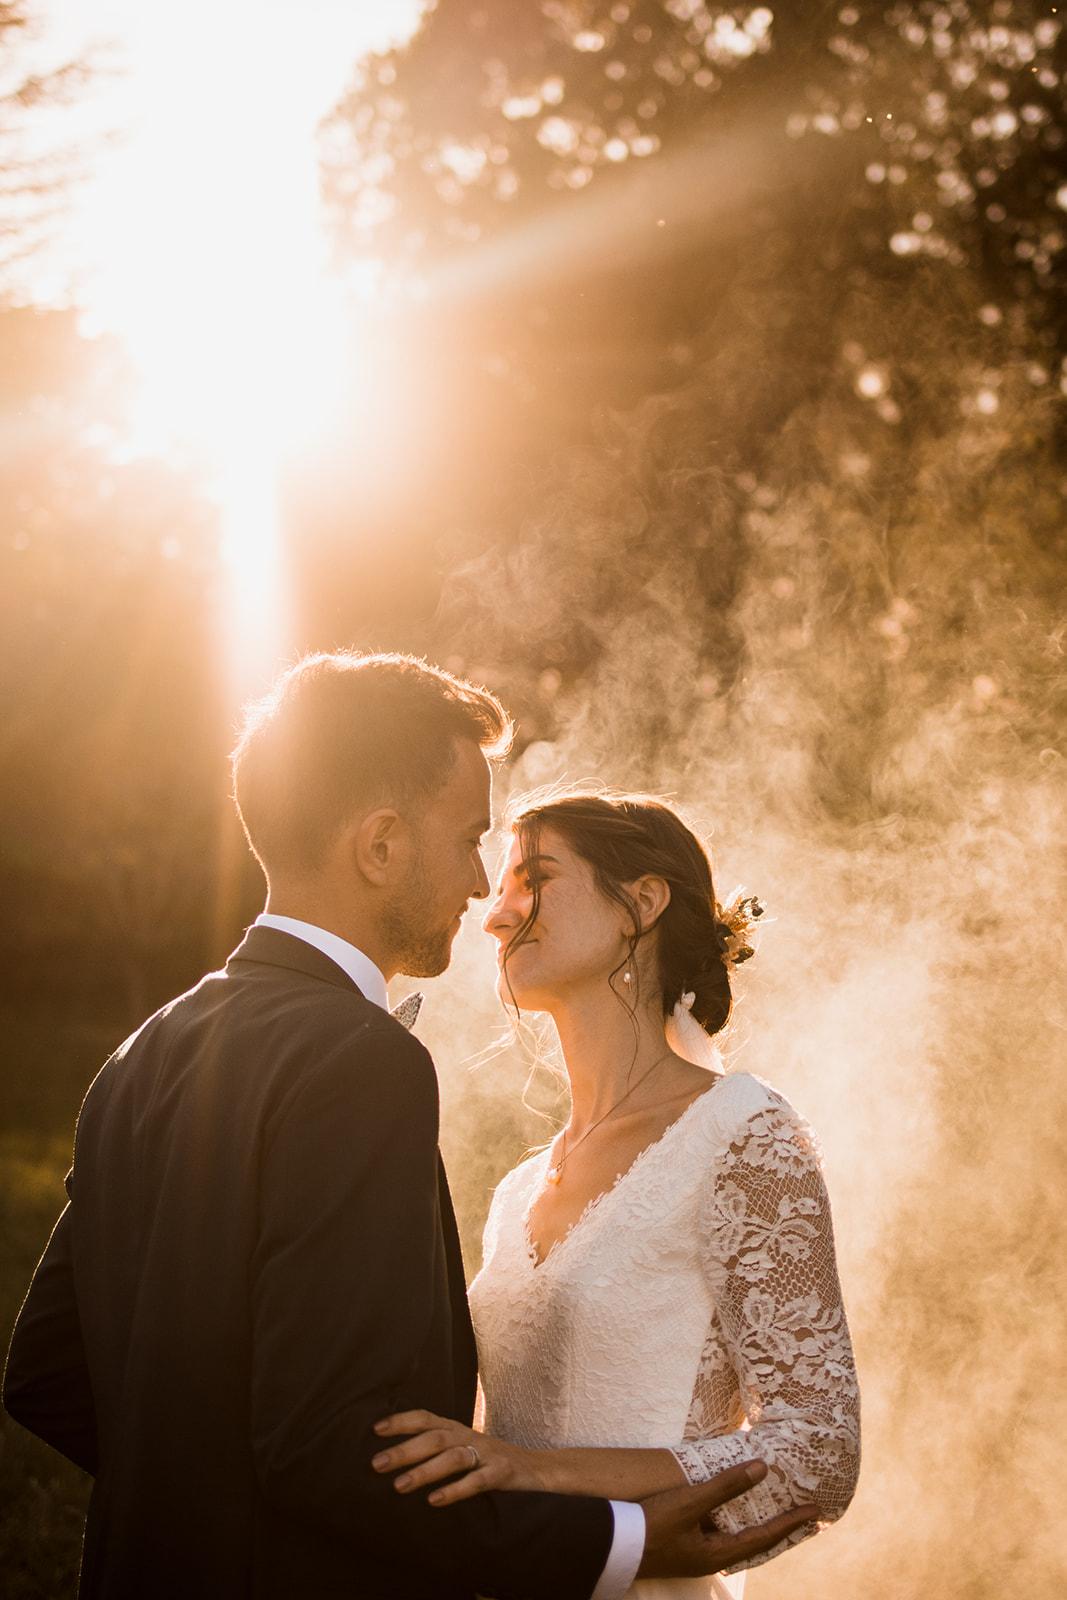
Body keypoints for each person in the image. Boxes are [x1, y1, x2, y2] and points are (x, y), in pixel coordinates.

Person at [3, 653, 818, 1600]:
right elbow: (330, 1444)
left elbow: (46, 1369)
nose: (482, 886)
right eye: (469, 836)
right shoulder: (359, 1060)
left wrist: (192, 1505)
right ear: (380, 845)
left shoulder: (148, 1049)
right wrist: (610, 1547)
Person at [369, 792, 861, 1599]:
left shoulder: (742, 1132)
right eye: (498, 892)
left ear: (641, 903)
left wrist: (536, 1471)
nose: (495, 919)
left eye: (534, 880)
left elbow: (817, 1451)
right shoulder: (520, 1189)